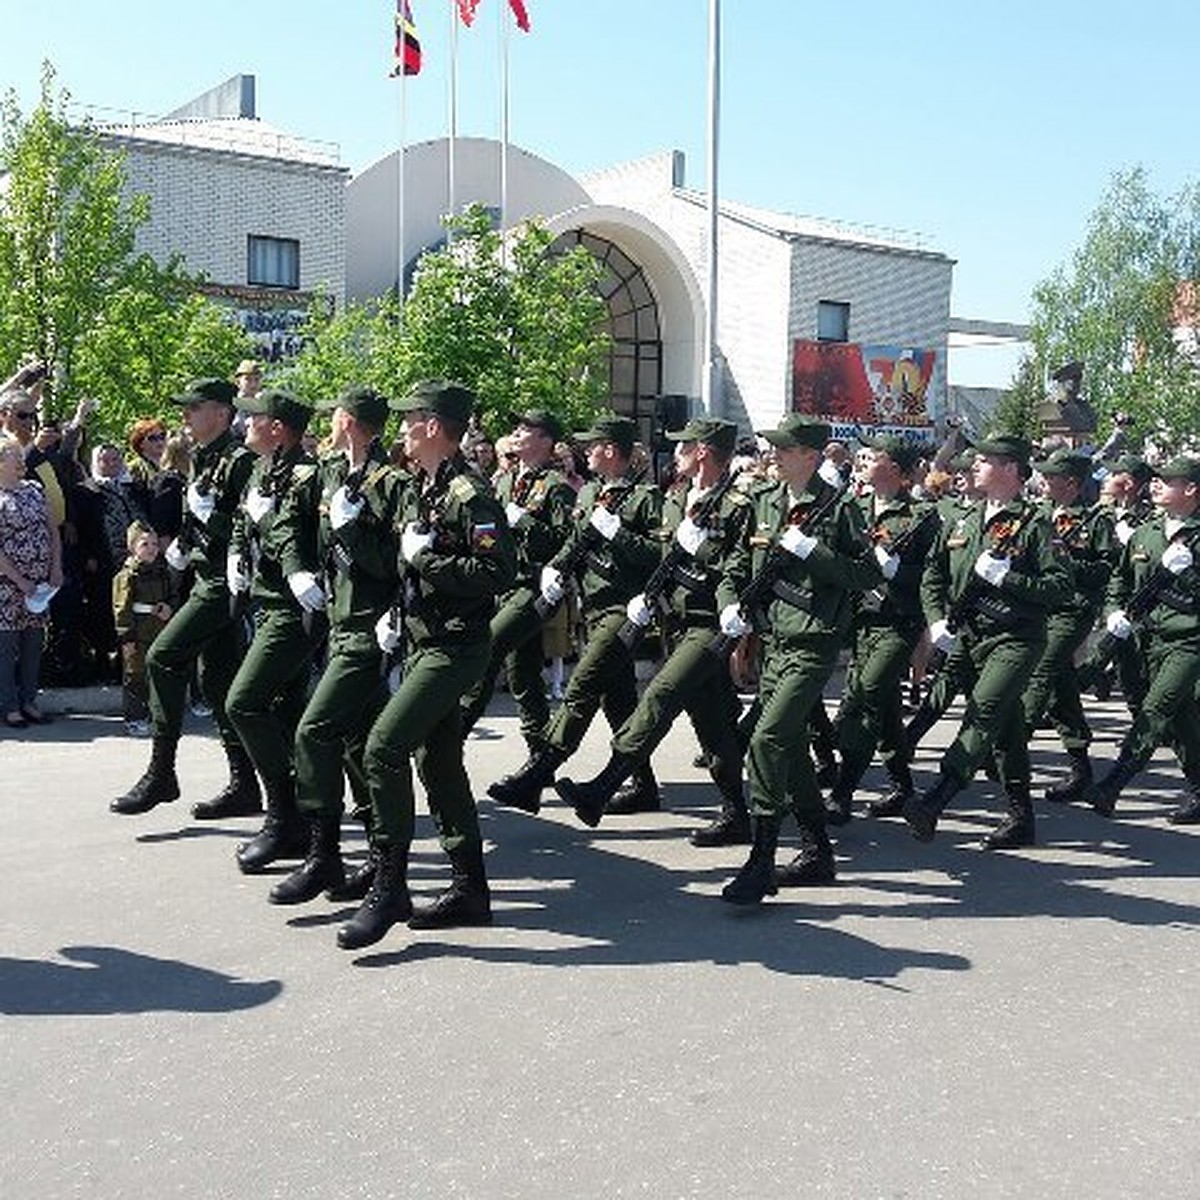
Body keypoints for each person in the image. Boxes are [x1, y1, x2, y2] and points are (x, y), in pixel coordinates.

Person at [337, 380, 517, 951]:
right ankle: (471, 888)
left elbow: (496, 574)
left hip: (456, 645)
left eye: (411, 419)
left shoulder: (470, 494)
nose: (404, 429)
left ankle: (391, 886)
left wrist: (430, 560)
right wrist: (398, 605)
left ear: (434, 427)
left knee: (382, 747)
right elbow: (408, 562)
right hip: (421, 638)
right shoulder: (427, 485)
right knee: (436, 761)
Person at [553, 417, 754, 844]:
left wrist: (698, 548)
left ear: (702, 451)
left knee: (660, 694)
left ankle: (605, 784)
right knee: (712, 720)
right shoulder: (679, 497)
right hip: (676, 622)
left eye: (684, 445)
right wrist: (648, 596)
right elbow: (662, 556)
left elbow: (738, 570)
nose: (676, 451)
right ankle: (737, 812)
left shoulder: (738, 504)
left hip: (710, 625)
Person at [714, 414, 881, 906]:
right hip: (772, 642)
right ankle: (816, 850)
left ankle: (762, 860)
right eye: (774, 448)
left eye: (785, 449)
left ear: (810, 456)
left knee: (766, 740)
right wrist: (730, 603)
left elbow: (867, 573)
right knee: (787, 747)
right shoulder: (764, 502)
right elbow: (737, 566)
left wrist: (814, 552)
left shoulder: (839, 511)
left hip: (813, 643)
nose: (775, 455)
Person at [486, 415, 662, 815]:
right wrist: (558, 569)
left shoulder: (645, 498)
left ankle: (538, 772)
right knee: (618, 701)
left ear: (612, 450)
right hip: (593, 608)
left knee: (581, 688)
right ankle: (644, 785)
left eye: (593, 444)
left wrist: (620, 534)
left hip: (624, 609)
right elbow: (575, 542)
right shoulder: (590, 494)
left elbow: (661, 556)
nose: (585, 450)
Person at [269, 386, 403, 907]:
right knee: (356, 741)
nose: (328, 425)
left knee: (314, 730)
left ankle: (324, 854)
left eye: (335, 417)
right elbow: (287, 523)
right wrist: (297, 568)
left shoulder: (391, 484)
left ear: (349, 421)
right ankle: (376, 857)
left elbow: (396, 563)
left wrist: (353, 536)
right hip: (333, 620)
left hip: (370, 629)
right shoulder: (324, 472)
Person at [904, 435, 1070, 849]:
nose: (973, 466)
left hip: (1015, 638)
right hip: (968, 635)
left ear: (1011, 469)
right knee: (1008, 729)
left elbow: (1060, 587)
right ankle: (1021, 818)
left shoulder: (1035, 524)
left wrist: (1007, 578)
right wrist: (937, 620)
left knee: (983, 712)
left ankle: (935, 799)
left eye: (984, 460)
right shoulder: (964, 520)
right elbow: (934, 575)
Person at [110, 378, 258, 818]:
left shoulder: (239, 460)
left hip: (223, 584)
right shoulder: (205, 458)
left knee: (162, 657)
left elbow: (251, 525)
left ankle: (161, 773)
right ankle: (245, 785)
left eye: (194, 408)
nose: (185, 416)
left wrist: (211, 529)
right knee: (218, 685)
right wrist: (186, 545)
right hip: (205, 576)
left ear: (221, 413)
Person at [224, 389, 327, 874]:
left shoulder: (309, 477)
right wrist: (236, 553)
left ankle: (285, 814)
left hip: (293, 608)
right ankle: (295, 822)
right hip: (265, 603)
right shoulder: (262, 469)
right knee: (285, 711)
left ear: (279, 429)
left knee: (242, 702)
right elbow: (248, 518)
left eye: (255, 419)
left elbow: (295, 533)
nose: (246, 425)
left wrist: (289, 562)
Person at [827, 433, 941, 826]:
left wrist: (899, 572)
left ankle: (843, 790)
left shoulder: (921, 517)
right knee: (884, 705)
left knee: (869, 694)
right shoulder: (854, 506)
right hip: (860, 621)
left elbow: (933, 576)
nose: (862, 460)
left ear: (893, 468)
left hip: (898, 622)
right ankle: (902, 786)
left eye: (872, 455)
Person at [1085, 456, 1200, 823]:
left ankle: (1113, 784)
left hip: (1190, 640)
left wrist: (1190, 574)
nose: (1155, 485)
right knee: (1179, 716)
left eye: (1167, 480)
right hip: (1147, 638)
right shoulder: (1147, 531)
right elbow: (1120, 578)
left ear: (1191, 489)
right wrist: (1114, 612)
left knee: (1157, 707)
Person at [460, 409, 576, 763]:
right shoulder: (506, 481)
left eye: (526, 429)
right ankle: (541, 757)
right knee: (523, 673)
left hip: (533, 587)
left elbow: (565, 541)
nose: (516, 433)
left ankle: (455, 732)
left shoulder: (556, 487)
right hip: (503, 585)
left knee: (488, 648)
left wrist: (524, 520)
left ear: (545, 440)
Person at [1022, 449, 1116, 804]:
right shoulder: (1039, 515)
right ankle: (1081, 768)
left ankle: (1010, 742)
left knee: (1042, 671)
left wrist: (1067, 562)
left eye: (1051, 476)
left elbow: (1106, 569)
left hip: (1074, 608)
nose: (1043, 481)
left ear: (1072, 483)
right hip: (1042, 606)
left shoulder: (1094, 521)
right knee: (1062, 686)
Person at [0, 435, 63, 727]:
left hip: (40, 585)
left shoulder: (34, 489)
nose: (21, 459)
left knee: (32, 645)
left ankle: (29, 701)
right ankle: (10, 705)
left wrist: (56, 568)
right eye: (14, 455)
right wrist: (19, 581)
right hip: (7, 585)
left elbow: (52, 530)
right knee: (6, 646)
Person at [112, 521, 178, 734]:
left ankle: (156, 713)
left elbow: (172, 596)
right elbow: (122, 609)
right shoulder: (127, 576)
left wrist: (169, 609)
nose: (151, 549)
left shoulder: (163, 572)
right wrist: (127, 638)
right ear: (132, 547)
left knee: (157, 672)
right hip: (137, 633)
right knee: (135, 675)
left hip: (159, 628)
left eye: (154, 544)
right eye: (144, 544)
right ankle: (135, 717)